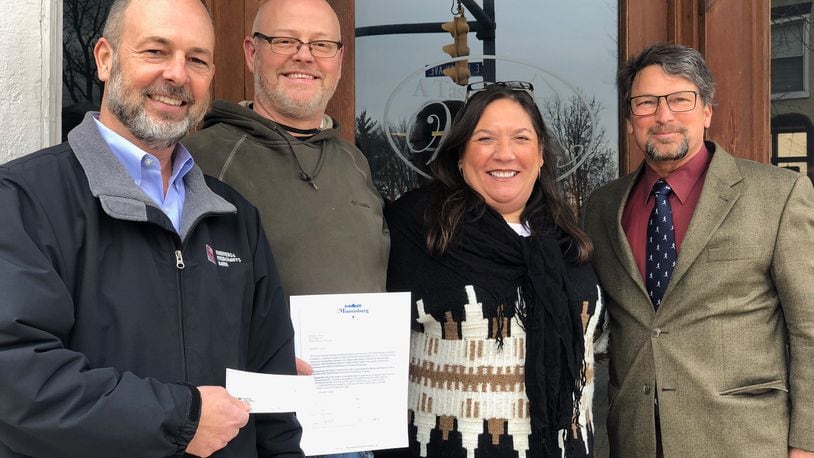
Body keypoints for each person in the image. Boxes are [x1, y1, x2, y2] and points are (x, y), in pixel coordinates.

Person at [0, 0, 303, 456]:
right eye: (156, 52)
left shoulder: (234, 217)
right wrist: (182, 418)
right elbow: (16, 378)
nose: (178, 75)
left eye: (197, 59)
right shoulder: (24, 199)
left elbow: (272, 388)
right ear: (105, 59)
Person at [583, 43, 814, 457]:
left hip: (746, 441)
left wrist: (807, 444)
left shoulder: (779, 195)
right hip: (634, 441)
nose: (663, 115)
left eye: (679, 99)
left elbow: (810, 329)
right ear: (630, 118)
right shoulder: (601, 207)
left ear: (706, 110)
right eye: (646, 103)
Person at [385, 82, 604, 458]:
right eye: (485, 138)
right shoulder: (413, 230)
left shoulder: (568, 241)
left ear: (540, 156)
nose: (505, 154)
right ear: (459, 155)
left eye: (521, 138)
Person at [182, 0, 388, 301]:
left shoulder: (354, 162)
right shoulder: (197, 159)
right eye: (285, 41)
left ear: (340, 60)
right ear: (252, 53)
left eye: (321, 44)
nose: (304, 56)